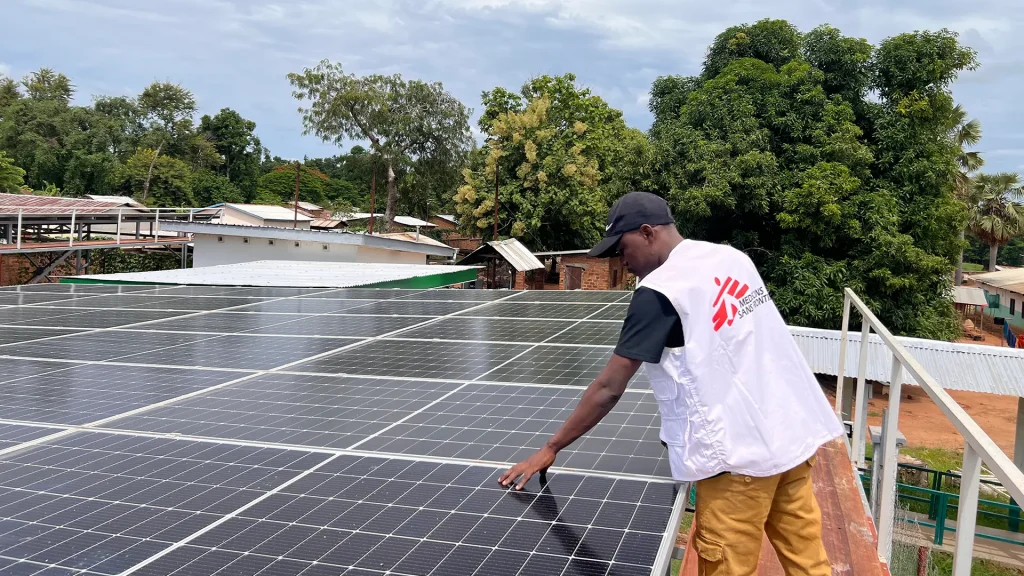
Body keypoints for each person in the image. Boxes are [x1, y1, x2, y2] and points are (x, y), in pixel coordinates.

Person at [499, 191, 843, 575]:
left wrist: (551, 447)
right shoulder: (731, 259)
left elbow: (609, 387)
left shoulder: (661, 290)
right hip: (789, 440)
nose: (623, 263)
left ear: (647, 233)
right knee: (809, 563)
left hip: (736, 462)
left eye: (623, 249)